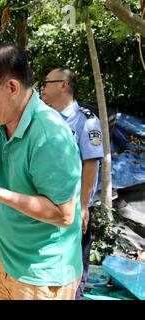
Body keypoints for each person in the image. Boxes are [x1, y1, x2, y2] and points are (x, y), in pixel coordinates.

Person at [0, 44, 83, 300]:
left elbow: (63, 214)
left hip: (43, 276)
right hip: (6, 261)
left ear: (12, 88)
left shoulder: (50, 136)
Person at [41, 68, 104, 300]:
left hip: (75, 208)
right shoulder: (45, 117)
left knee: (72, 273)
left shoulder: (85, 121)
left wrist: (83, 206)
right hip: (49, 208)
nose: (42, 88)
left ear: (63, 85)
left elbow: (90, 164)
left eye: (47, 83)